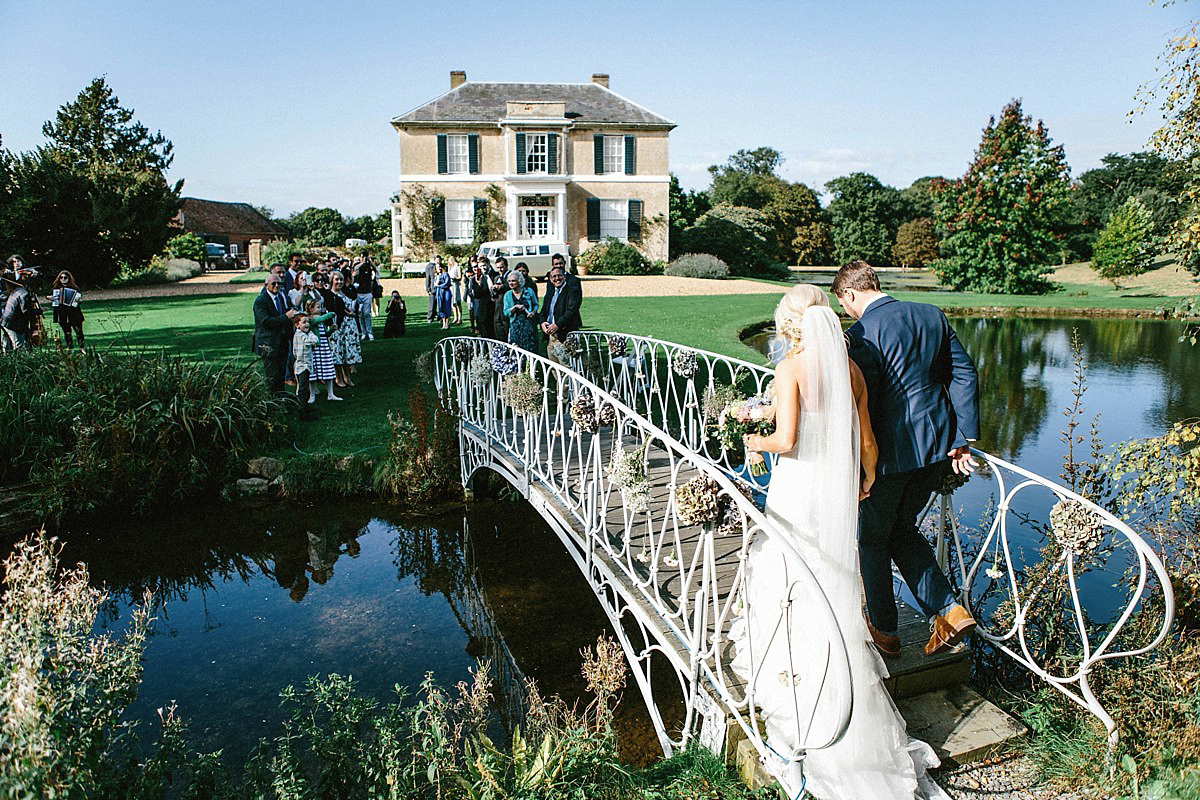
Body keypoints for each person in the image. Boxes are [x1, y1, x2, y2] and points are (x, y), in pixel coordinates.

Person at [739, 284, 944, 799]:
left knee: (791, 569)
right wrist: (868, 478)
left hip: (798, 485)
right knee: (830, 572)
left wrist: (754, 439)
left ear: (792, 326)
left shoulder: (789, 369)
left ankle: (791, 672)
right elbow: (867, 439)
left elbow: (788, 440)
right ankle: (835, 669)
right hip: (836, 491)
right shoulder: (850, 371)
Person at [832, 261, 979, 660]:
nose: (846, 310)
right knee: (902, 530)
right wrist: (963, 436)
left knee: (874, 540)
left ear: (849, 294)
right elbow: (964, 374)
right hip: (936, 450)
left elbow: (863, 402)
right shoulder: (931, 314)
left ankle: (885, 631)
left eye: (843, 303)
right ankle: (950, 611)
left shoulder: (861, 333)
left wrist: (859, 461)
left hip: (887, 456)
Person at [252, 273, 297, 395]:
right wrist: (285, 317)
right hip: (268, 344)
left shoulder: (280, 298)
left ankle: (281, 400)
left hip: (282, 342)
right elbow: (266, 322)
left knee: (281, 374)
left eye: (279, 283)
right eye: (274, 283)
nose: (277, 285)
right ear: (266, 285)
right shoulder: (261, 301)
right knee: (272, 376)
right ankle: (272, 403)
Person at [539, 254, 582, 365]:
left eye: (559, 276)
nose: (557, 279)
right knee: (554, 368)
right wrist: (542, 322)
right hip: (551, 336)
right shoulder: (551, 290)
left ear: (564, 276)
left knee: (567, 367)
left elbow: (571, 310)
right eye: (554, 277)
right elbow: (544, 310)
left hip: (565, 333)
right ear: (550, 278)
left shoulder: (572, 289)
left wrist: (557, 324)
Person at [327, 272, 362, 387]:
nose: (339, 282)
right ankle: (338, 378)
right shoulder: (329, 295)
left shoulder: (346, 292)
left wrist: (353, 313)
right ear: (332, 280)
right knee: (338, 352)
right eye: (336, 280)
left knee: (347, 352)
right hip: (338, 326)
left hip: (349, 326)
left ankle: (347, 377)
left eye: (341, 280)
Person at [303, 298, 340, 401]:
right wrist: (329, 315)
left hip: (324, 347)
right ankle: (312, 395)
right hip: (315, 349)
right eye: (318, 307)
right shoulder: (310, 319)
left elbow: (325, 334)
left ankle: (330, 394)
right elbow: (317, 321)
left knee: (328, 369)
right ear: (310, 308)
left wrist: (332, 329)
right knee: (313, 372)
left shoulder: (321, 320)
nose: (320, 309)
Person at [502, 270, 538, 352]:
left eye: (513, 281)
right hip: (515, 326)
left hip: (529, 325)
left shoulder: (529, 291)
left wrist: (533, 312)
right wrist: (514, 307)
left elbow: (536, 304)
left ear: (519, 281)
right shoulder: (507, 295)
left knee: (531, 350)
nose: (511, 283)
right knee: (516, 351)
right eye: (509, 281)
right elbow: (506, 312)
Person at [49, 269, 85, 351]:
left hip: (74, 313)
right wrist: (50, 298)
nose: (63, 279)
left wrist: (79, 300)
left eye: (65, 277)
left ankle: (82, 348)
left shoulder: (75, 288)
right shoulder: (56, 288)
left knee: (79, 331)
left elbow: (79, 300)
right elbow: (51, 297)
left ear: (69, 278)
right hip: (62, 313)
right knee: (67, 332)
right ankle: (70, 348)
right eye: (61, 278)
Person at [353, 257, 376, 341]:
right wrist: (362, 262)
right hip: (358, 292)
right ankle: (363, 332)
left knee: (366, 313)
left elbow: (375, 269)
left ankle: (369, 332)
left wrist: (369, 261)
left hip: (367, 292)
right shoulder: (358, 265)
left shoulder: (368, 266)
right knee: (360, 314)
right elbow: (355, 269)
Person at [491, 256, 510, 342]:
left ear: (506, 266)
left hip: (507, 309)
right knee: (499, 333)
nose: (500, 269)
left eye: (502, 267)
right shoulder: (496, 278)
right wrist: (494, 289)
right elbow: (493, 295)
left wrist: (503, 287)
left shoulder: (510, 277)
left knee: (507, 333)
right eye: (498, 268)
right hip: (497, 309)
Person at [434, 262, 453, 330]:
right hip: (439, 292)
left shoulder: (446, 274)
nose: (438, 268)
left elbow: (447, 283)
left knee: (446, 306)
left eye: (439, 267)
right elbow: (435, 284)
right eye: (437, 267)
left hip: (446, 292)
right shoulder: (437, 276)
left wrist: (439, 285)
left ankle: (447, 323)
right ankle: (443, 323)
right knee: (441, 307)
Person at [424, 255, 442, 322]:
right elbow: (428, 278)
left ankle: (440, 317)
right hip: (433, 288)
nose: (438, 261)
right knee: (432, 304)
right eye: (437, 260)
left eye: (439, 260)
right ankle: (430, 317)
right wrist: (428, 288)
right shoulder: (430, 267)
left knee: (440, 303)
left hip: (440, 288)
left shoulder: (442, 267)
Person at [448, 256, 463, 325]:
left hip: (456, 286)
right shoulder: (449, 268)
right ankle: (455, 317)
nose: (450, 261)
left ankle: (460, 317)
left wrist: (454, 278)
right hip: (450, 286)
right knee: (452, 303)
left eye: (451, 260)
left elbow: (460, 277)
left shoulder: (457, 267)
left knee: (457, 302)